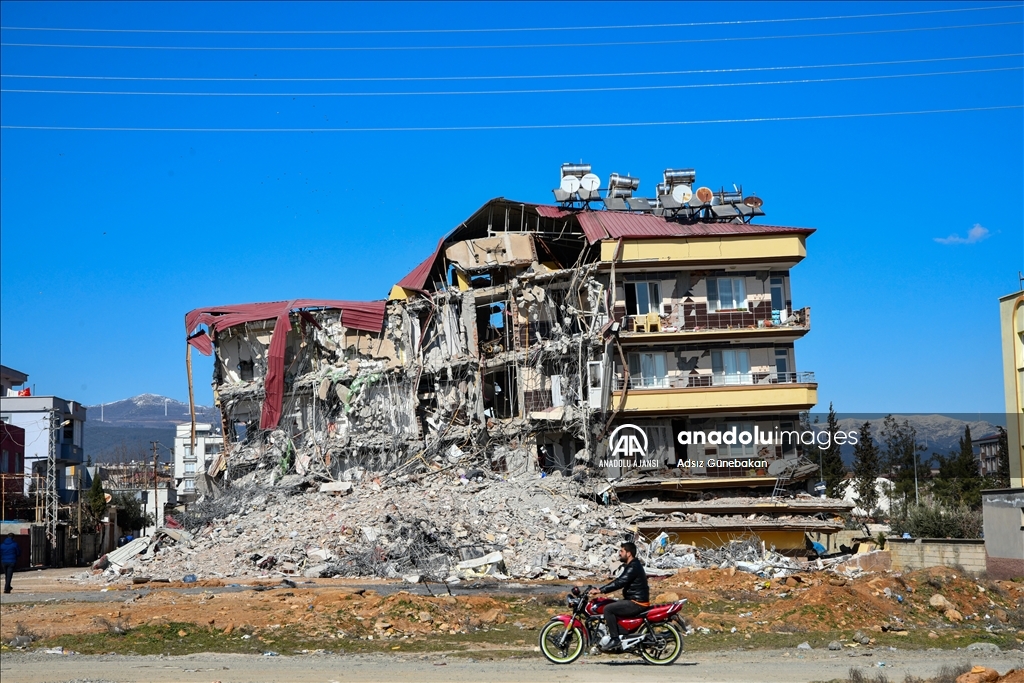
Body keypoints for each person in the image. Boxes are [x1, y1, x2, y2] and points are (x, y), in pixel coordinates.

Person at [589, 541, 649, 651]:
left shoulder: (633, 567)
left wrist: (600, 590)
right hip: (634, 600)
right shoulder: (633, 565)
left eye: (621, 551)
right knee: (611, 604)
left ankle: (615, 639)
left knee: (608, 609)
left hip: (637, 602)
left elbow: (620, 582)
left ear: (629, 553)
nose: (619, 553)